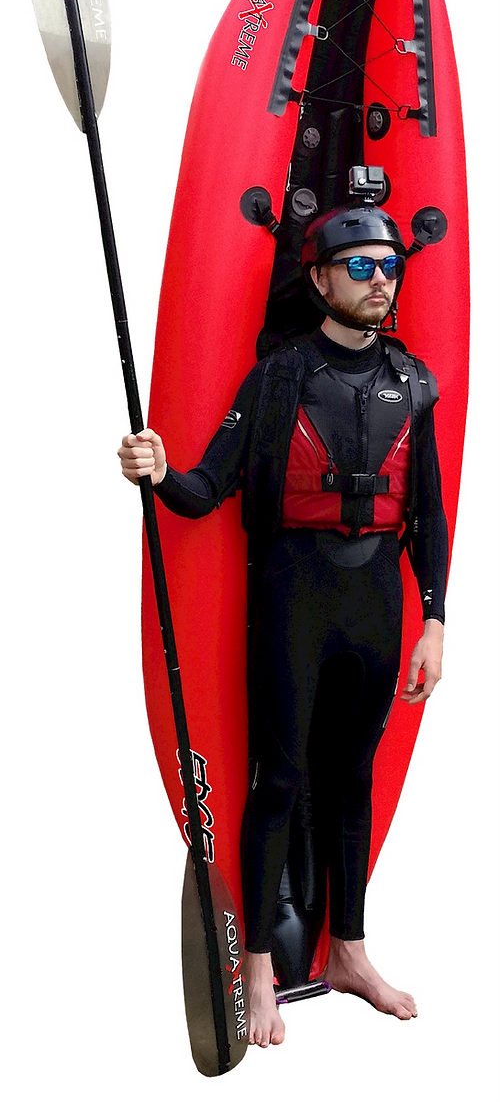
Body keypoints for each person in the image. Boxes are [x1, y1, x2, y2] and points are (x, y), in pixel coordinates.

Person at [118, 201, 448, 1049]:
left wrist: (434, 620)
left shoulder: (412, 382)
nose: (381, 280)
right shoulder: (281, 376)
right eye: (361, 266)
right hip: (295, 598)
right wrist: (159, 471)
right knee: (283, 780)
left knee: (354, 782)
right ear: (321, 278)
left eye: (390, 266)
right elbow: (206, 489)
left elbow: (430, 515)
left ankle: (350, 953)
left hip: (377, 607)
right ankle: (260, 966)